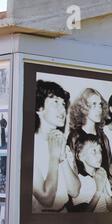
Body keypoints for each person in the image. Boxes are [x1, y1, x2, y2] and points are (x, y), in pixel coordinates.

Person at [32, 80, 80, 212]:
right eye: (55, 102)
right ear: (39, 109)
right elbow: (46, 198)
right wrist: (54, 157)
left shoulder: (63, 144)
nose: (62, 109)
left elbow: (75, 191)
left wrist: (63, 157)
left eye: (63, 104)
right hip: (39, 223)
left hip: (63, 216)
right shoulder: (30, 146)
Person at [67, 88, 112, 196]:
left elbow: (110, 168)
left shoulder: (103, 137)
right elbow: (72, 169)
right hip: (83, 196)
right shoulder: (74, 137)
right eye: (93, 104)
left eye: (100, 105)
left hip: (105, 194)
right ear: (84, 108)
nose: (99, 109)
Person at [71, 135, 112, 212]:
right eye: (94, 151)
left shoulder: (101, 173)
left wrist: (104, 190)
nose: (99, 155)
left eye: (99, 151)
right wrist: (98, 191)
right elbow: (82, 217)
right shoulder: (79, 181)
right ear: (80, 156)